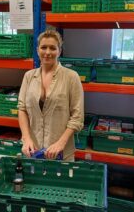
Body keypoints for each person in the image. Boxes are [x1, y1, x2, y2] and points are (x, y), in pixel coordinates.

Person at [18, 30, 84, 161]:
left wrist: (61, 143)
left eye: (52, 48)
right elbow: (22, 109)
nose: (47, 52)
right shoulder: (29, 76)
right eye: (43, 47)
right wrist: (26, 138)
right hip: (33, 151)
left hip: (61, 153)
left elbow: (77, 117)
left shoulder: (71, 77)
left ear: (59, 51)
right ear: (37, 50)